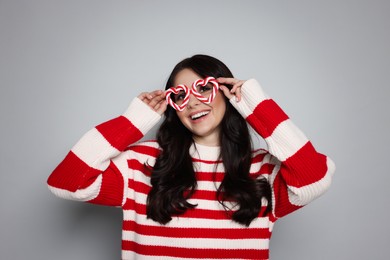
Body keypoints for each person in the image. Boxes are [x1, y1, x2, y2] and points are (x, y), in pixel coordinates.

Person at [47, 54, 335, 260]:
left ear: (227, 93)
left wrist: (258, 106)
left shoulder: (262, 169)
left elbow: (315, 179)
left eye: (204, 88)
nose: (193, 101)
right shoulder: (140, 164)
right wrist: (132, 122)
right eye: (180, 95)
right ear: (173, 105)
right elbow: (66, 183)